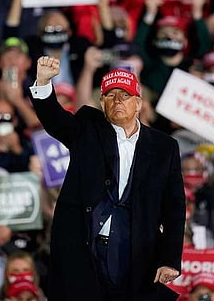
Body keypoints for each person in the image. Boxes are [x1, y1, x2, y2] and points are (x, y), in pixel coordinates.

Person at [29, 56, 185, 300]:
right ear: (101, 103)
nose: (117, 101)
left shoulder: (165, 147)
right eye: (110, 96)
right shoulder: (87, 127)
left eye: (125, 95)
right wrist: (43, 82)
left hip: (136, 253)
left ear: (139, 103)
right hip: (84, 250)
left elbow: (174, 208)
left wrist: (169, 259)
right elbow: (55, 120)